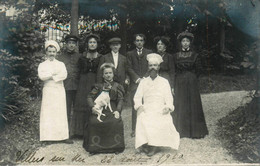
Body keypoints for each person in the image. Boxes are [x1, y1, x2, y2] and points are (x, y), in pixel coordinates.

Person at [134, 53, 180, 157]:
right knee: (142, 116)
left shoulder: (164, 82)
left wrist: (168, 107)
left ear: (159, 67)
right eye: (150, 65)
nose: (152, 68)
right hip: (147, 107)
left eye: (155, 65)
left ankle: (154, 145)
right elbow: (137, 97)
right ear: (148, 67)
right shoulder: (143, 82)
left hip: (160, 108)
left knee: (159, 118)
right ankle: (145, 143)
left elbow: (169, 98)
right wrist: (139, 106)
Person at [172, 31, 208, 138]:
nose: (185, 43)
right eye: (183, 41)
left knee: (193, 104)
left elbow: (199, 70)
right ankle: (181, 131)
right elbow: (174, 70)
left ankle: (195, 131)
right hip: (179, 81)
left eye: (187, 41)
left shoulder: (195, 55)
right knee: (180, 103)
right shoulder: (175, 56)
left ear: (190, 43)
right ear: (180, 43)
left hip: (192, 82)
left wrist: (191, 78)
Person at [83, 63, 125, 154]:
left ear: (113, 74)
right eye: (106, 73)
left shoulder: (117, 86)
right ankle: (95, 148)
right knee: (94, 121)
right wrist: (92, 107)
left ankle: (115, 147)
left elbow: (120, 99)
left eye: (110, 73)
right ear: (102, 75)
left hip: (113, 109)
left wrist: (118, 111)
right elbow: (89, 97)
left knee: (115, 121)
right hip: (100, 109)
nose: (108, 75)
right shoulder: (98, 86)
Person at [38, 40, 72, 144]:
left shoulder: (61, 64)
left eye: (53, 51)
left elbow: (64, 75)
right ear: (46, 52)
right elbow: (42, 76)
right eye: (49, 51)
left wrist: (51, 75)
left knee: (60, 112)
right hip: (48, 90)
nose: (51, 53)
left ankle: (63, 136)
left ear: (56, 53)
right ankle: (48, 137)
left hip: (59, 89)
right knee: (48, 112)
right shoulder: (42, 65)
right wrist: (53, 74)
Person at [71, 34, 102, 137]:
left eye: (94, 42)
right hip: (83, 83)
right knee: (81, 102)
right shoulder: (82, 56)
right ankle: (80, 132)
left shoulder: (101, 57)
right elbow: (78, 71)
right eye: (90, 42)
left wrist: (98, 85)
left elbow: (101, 72)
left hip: (94, 81)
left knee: (93, 102)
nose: (92, 44)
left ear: (97, 44)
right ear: (87, 44)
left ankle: (93, 130)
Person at [127, 34, 152, 137]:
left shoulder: (149, 53)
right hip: (135, 83)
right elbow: (129, 68)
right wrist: (137, 79)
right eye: (137, 40)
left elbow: (151, 67)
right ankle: (135, 129)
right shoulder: (130, 54)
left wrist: (144, 78)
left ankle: (147, 128)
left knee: (148, 105)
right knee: (135, 106)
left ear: (144, 42)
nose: (139, 42)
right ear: (134, 42)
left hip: (147, 82)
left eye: (141, 40)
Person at [57, 34, 81, 133]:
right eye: (69, 43)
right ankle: (66, 132)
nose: (71, 45)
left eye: (73, 43)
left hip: (77, 87)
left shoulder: (80, 56)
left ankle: (77, 131)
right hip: (65, 87)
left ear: (76, 45)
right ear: (66, 44)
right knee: (65, 110)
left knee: (77, 110)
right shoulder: (60, 57)